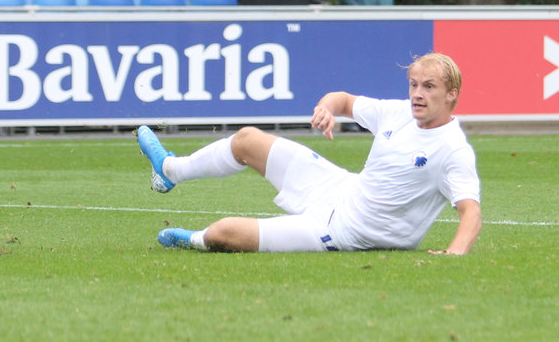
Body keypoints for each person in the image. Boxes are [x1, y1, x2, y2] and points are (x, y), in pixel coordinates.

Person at [137, 53, 482, 256]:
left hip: (343, 232)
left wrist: (454, 253)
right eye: (413, 84)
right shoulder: (397, 112)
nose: (417, 94)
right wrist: (326, 109)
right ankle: (170, 169)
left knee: (221, 234)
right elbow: (343, 99)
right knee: (246, 140)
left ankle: (192, 240)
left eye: (429, 87)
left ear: (452, 95)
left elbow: (471, 212)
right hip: (337, 188)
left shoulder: (453, 149)